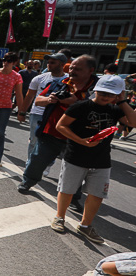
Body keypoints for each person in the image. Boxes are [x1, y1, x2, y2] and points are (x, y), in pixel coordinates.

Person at [51, 75, 136, 243]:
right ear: (96, 89)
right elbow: (60, 125)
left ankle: (85, 226)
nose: (106, 96)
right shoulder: (80, 107)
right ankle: (60, 217)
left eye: (111, 94)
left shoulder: (115, 109)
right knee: (67, 189)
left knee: (97, 194)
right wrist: (81, 141)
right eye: (103, 92)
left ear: (118, 94)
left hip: (102, 159)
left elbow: (133, 123)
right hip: (75, 156)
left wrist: (122, 101)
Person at [18, 55, 98, 194]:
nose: (72, 71)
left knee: (76, 169)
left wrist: (75, 103)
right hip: (51, 132)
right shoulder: (61, 82)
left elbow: (101, 109)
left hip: (78, 137)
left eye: (78, 69)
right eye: (71, 67)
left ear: (90, 70)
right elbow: (38, 100)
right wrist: (49, 99)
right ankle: (27, 182)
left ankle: (74, 197)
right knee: (37, 160)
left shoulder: (98, 88)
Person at [18, 53, 68, 159]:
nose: (49, 65)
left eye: (53, 62)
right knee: (34, 141)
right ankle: (30, 165)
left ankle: (46, 165)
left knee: (52, 143)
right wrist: (22, 112)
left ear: (62, 64)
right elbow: (29, 96)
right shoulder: (39, 78)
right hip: (37, 114)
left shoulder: (69, 80)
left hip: (56, 116)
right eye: (48, 62)